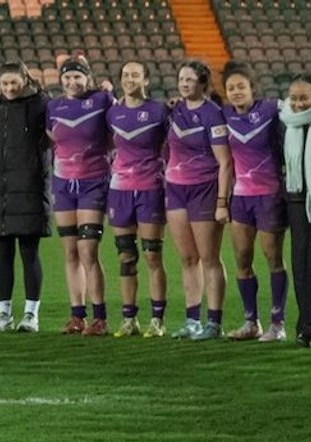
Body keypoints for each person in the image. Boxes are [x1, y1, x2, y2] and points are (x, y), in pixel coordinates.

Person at [0, 62, 51, 333]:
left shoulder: (41, 105)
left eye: (14, 83)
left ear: (25, 81)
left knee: (29, 253)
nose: (9, 88)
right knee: (2, 254)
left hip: (30, 189)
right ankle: (3, 313)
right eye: (5, 84)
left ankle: (31, 315)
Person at [166, 60, 232, 341]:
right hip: (175, 189)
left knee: (209, 258)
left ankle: (214, 323)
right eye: (181, 79)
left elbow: (225, 162)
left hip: (204, 190)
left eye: (190, 80)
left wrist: (221, 201)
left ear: (203, 84)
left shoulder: (213, 114)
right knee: (187, 258)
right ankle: (192, 320)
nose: (184, 84)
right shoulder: (174, 109)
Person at [47, 57, 113, 336]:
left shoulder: (102, 100)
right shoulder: (53, 106)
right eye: (67, 77)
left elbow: (117, 129)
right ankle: (77, 316)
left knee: (88, 251)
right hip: (63, 184)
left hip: (93, 182)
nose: (72, 82)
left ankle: (100, 317)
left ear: (88, 78)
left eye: (78, 77)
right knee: (71, 252)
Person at [222, 61, 287, 342]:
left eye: (241, 87)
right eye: (231, 88)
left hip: (270, 195)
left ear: (252, 88)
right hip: (241, 198)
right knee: (242, 258)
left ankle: (277, 323)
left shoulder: (271, 110)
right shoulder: (224, 115)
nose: (236, 92)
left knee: (273, 258)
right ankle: (251, 322)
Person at [107, 61, 170, 338]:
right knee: (126, 256)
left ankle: (157, 320)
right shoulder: (112, 113)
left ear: (145, 80)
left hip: (150, 188)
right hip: (119, 191)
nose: (129, 79)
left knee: (152, 254)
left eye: (135, 74)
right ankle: (129, 319)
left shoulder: (159, 111)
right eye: (125, 75)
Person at [281, 74, 311, 346]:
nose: (299, 104)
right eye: (295, 98)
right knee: (301, 266)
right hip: (296, 200)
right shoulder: (284, 123)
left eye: (305, 98)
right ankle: (306, 327)